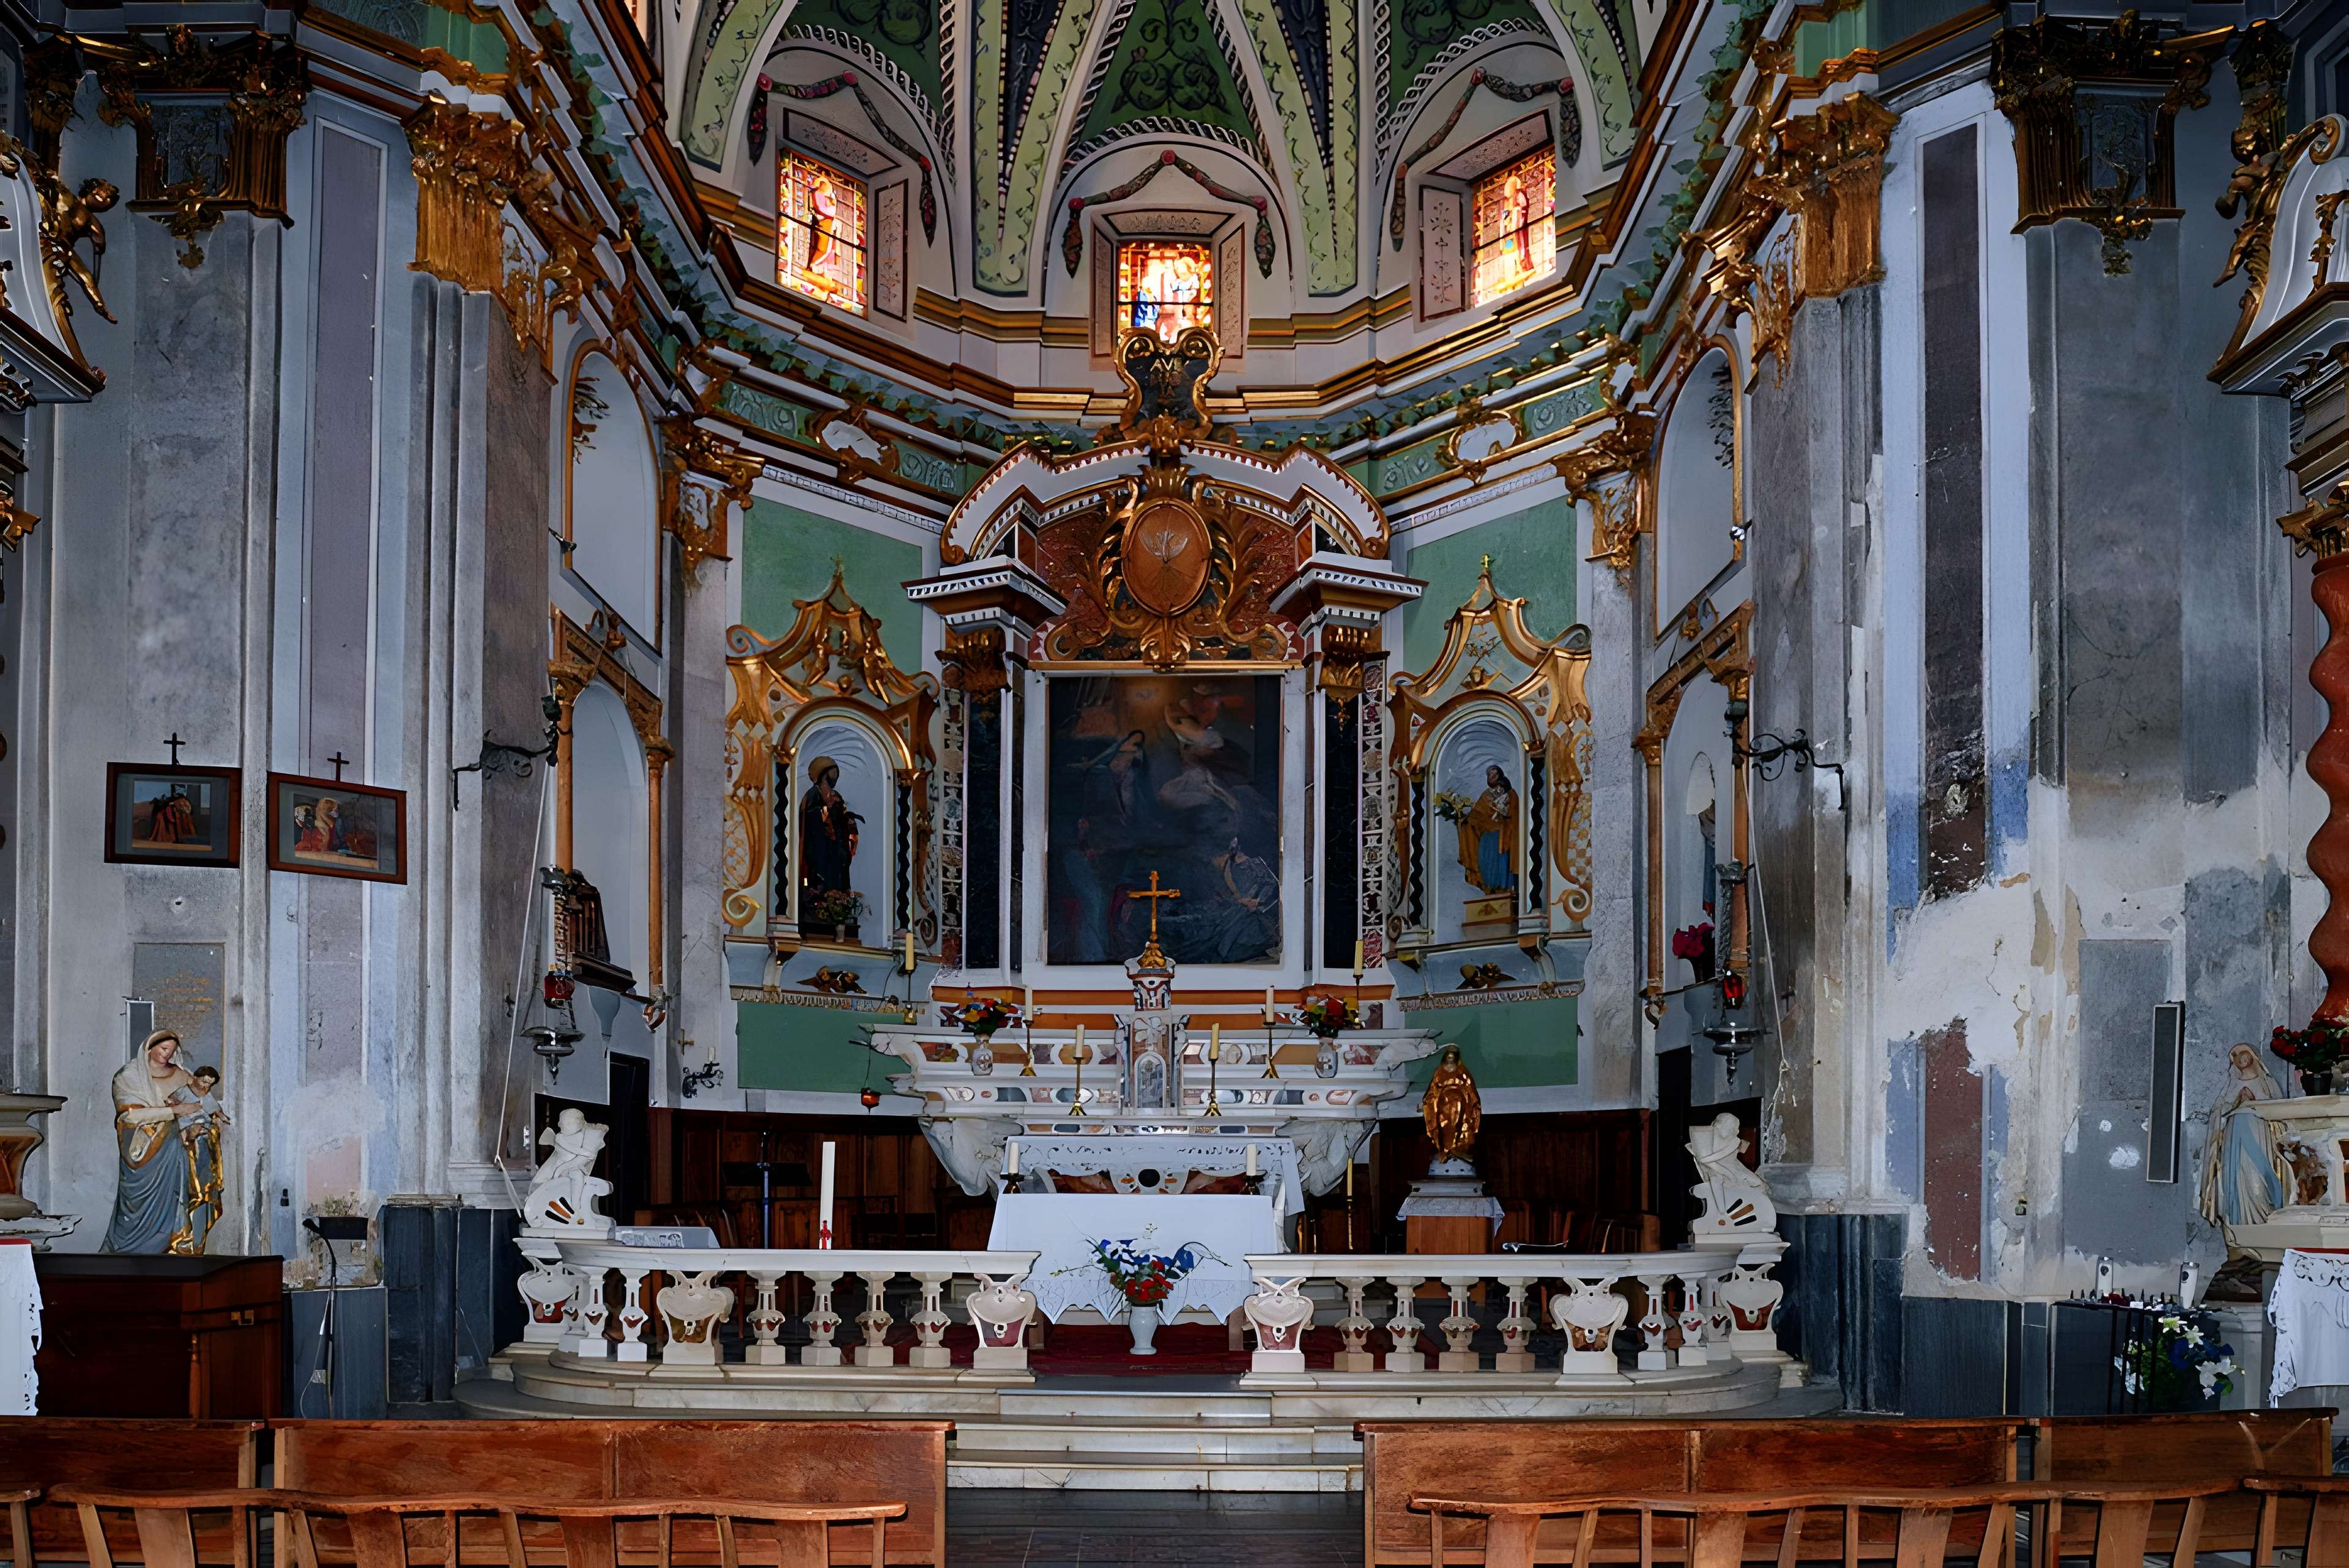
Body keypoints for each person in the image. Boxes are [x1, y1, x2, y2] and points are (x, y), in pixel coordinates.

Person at [103, 1030, 210, 1254]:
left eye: (171, 1051)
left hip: (174, 1153)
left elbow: (200, 1105)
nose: (167, 1054)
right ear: (149, 1047)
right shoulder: (128, 1077)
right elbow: (129, 1116)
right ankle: (126, 1253)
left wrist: (193, 1128)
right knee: (134, 1209)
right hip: (142, 1152)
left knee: (175, 1200)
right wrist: (173, 1111)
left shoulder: (182, 1075)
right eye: (163, 1049)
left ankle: (172, 1245)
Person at [2201, 1041, 2291, 1235]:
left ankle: (2264, 1222)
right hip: (2235, 1139)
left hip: (2260, 1135)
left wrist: (2255, 1102)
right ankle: (2240, 1226)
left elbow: (2280, 1111)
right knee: (2237, 1176)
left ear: (2253, 1057)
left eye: (2244, 1054)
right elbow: (2218, 1112)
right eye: (2236, 1056)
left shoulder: (2266, 1083)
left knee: (2258, 1181)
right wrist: (2236, 1101)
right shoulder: (2231, 1083)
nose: (2241, 1058)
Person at [1457, 765, 1519, 895]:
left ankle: (1504, 888)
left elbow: (1514, 812)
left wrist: (1504, 816)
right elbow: (1476, 815)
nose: (1492, 777)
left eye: (1494, 775)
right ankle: (1488, 887)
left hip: (1502, 835)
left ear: (1500, 776)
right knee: (1486, 861)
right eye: (1489, 775)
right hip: (1488, 836)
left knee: (1502, 862)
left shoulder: (1510, 794)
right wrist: (1463, 820)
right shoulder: (1485, 795)